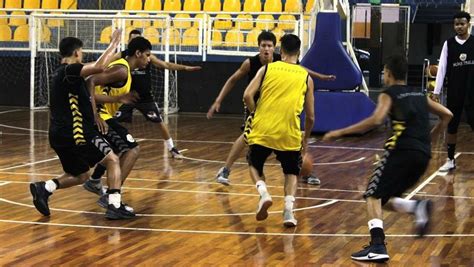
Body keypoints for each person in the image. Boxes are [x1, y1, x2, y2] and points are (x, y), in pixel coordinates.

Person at [323, 55, 453, 262]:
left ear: (389, 74)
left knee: (372, 195)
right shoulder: (420, 94)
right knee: (384, 199)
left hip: (400, 152)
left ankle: (377, 245)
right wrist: (429, 139)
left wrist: (341, 132)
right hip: (422, 155)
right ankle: (416, 207)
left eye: (384, 72)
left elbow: (376, 119)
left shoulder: (389, 93)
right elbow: (447, 115)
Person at [29, 30, 136, 220]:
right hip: (77, 133)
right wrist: (114, 44)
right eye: (82, 52)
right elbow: (100, 66)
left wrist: (112, 100)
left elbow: (89, 94)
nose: (83, 55)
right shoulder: (68, 71)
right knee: (112, 160)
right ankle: (114, 205)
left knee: (81, 175)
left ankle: (45, 188)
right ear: (77, 53)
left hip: (58, 134)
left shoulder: (61, 76)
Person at [207, 31, 335, 186]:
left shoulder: (281, 61)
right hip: (256, 106)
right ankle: (226, 170)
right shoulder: (250, 63)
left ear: (275, 48)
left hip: (278, 107)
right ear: (258, 47)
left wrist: (319, 77)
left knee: (292, 138)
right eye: (263, 46)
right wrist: (218, 100)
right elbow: (233, 80)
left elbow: (301, 70)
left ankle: (304, 172)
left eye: (269, 46)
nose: (266, 49)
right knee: (246, 137)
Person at [243, 34, 315, 227]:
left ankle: (264, 193)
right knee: (291, 172)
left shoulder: (266, 69)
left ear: (280, 51)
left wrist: (254, 114)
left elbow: (247, 95)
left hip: (263, 129)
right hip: (289, 133)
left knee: (253, 164)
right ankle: (288, 212)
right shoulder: (306, 77)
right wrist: (305, 139)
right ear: (299, 53)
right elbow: (311, 117)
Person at [82, 37, 152, 208]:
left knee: (117, 149)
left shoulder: (124, 70)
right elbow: (89, 81)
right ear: (138, 53)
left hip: (103, 114)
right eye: (147, 55)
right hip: (99, 115)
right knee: (132, 149)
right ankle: (112, 196)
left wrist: (117, 98)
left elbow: (98, 90)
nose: (149, 59)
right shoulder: (122, 70)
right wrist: (96, 115)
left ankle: (94, 181)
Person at [115, 29, 202, 159]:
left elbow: (165, 64)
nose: (135, 41)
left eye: (138, 39)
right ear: (128, 41)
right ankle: (112, 147)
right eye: (133, 39)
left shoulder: (147, 56)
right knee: (112, 121)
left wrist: (184, 68)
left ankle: (172, 148)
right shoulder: (121, 57)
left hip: (145, 97)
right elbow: (104, 66)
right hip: (125, 96)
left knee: (159, 121)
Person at [432, 11, 474, 172]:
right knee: (452, 125)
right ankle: (450, 159)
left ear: (468, 24)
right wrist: (436, 91)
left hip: (472, 91)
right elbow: (441, 68)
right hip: (455, 90)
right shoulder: (448, 44)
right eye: (456, 24)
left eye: (462, 23)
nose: (459, 26)